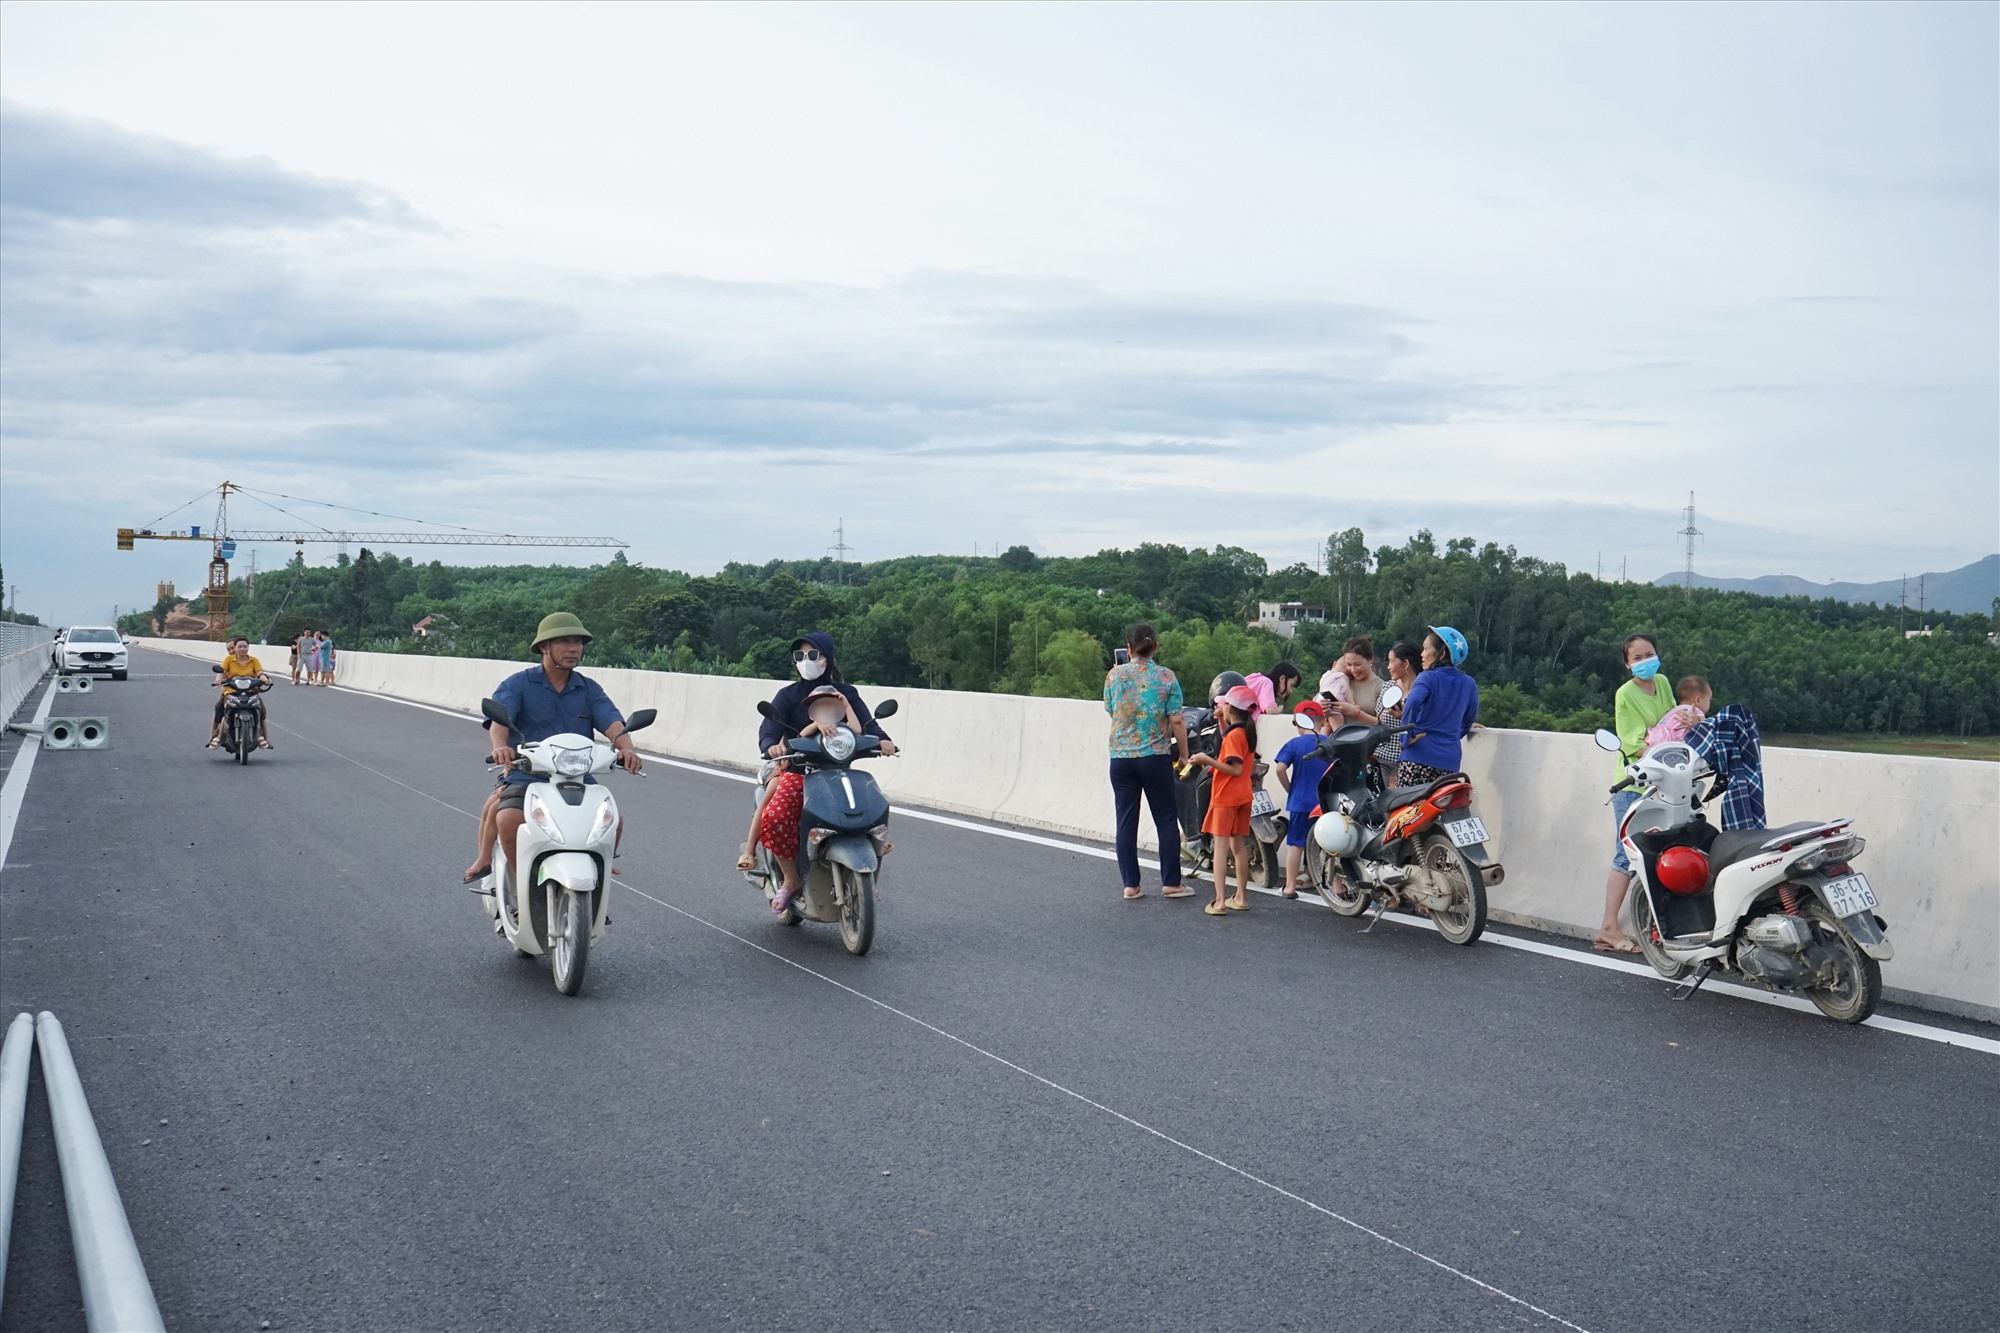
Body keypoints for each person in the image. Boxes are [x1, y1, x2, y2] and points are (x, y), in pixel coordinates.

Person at [475, 613, 643, 895]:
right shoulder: (519, 684)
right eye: (564, 641)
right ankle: (522, 889)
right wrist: (500, 747)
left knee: (613, 819)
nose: (574, 648)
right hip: (527, 773)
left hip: (576, 776)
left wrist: (628, 749)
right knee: (508, 818)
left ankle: (593, 885)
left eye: (578, 642)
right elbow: (499, 722)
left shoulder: (588, 689)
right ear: (544, 647)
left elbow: (613, 722)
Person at [745, 685, 864, 912]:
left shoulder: (844, 730)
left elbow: (858, 731)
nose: (827, 709)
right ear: (811, 712)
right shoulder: (811, 726)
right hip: (801, 777)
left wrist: (847, 704)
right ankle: (790, 879)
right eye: (820, 706)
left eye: (832, 704)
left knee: (867, 807)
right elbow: (802, 736)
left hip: (836, 779)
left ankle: (864, 868)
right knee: (776, 815)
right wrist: (817, 724)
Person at [1596, 632, 1680, 953]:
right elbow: (1633, 742)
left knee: (1667, 851)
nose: (1646, 661)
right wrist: (1662, 743)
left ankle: (1664, 924)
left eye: (1650, 654)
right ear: (1627, 664)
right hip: (1634, 784)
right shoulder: (1625, 694)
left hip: (1666, 782)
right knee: (1627, 856)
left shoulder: (1664, 683)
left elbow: (1673, 722)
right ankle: (1608, 927)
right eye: (1638, 658)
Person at [1104, 622, 1192, 901]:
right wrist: (1186, 755)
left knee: (1126, 821)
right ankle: (1171, 883)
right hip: (1154, 757)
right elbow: (1176, 719)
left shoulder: (1114, 676)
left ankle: (1131, 885)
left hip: (1121, 758)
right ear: (1155, 645)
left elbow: (1111, 709)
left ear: (1128, 648)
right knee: (1165, 818)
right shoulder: (1166, 677)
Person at [1186, 683, 1259, 916]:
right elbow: (1234, 749)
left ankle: (1219, 901)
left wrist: (1206, 760)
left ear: (1231, 707)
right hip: (1243, 796)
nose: (1222, 707)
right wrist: (1221, 722)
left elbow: (1234, 768)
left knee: (1220, 847)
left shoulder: (1235, 736)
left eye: (1225, 704)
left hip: (1226, 796)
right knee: (1238, 847)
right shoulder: (1245, 730)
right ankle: (1241, 897)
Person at [1394, 626, 1479, 787]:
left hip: (1418, 757)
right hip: (1449, 762)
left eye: (1426, 649)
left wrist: (1406, 737)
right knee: (1442, 810)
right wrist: (1452, 735)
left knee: (1406, 810)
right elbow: (1469, 718)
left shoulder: (1427, 678)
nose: (1422, 654)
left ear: (1442, 654)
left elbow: (1412, 703)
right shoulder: (1468, 683)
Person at [1273, 700, 1333, 899]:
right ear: (1322, 721)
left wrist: (1291, 789)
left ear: (1299, 723)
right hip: (1325, 804)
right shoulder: (1330, 744)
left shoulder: (1293, 744)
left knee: (1296, 845)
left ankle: (1290, 887)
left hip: (1300, 803)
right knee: (1332, 847)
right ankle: (1338, 887)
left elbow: (1280, 769)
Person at [208, 635, 273, 749]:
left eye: (245, 646)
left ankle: (263, 737)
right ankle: (216, 737)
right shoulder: (228, 660)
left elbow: (260, 673)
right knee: (220, 710)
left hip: (250, 692)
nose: (242, 649)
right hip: (231, 691)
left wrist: (265, 680)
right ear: (236, 647)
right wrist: (218, 680)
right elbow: (221, 672)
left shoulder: (254, 660)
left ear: (248, 647)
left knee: (261, 711)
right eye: (240, 647)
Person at [1373, 641, 1420, 789]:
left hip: (1412, 760)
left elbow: (1430, 722)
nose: (1388, 667)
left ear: (1405, 663)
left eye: (1392, 661)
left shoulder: (1423, 689)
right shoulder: (1388, 687)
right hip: (1383, 759)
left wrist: (1403, 717)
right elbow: (1378, 717)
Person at [1321, 636, 1391, 725]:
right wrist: (1326, 710)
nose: (1353, 669)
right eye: (1349, 665)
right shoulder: (1341, 683)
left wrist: (1355, 713)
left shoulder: (1382, 687)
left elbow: (1383, 724)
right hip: (1342, 737)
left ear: (1370, 659)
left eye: (1357, 664)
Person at [1645, 676, 1712, 747]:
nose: (1709, 703)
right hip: (1672, 744)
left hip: (1654, 739)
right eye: (1709, 700)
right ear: (1698, 700)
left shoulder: (1673, 711)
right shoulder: (1695, 711)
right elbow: (1707, 729)